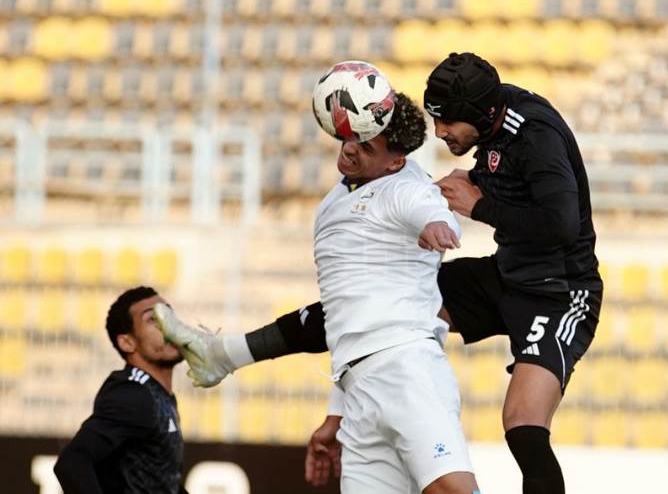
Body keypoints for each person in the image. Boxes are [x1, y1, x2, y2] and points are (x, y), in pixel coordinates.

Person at [162, 52, 602, 494]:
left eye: (448, 123)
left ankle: (226, 355)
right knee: (375, 301)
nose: (440, 132)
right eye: (436, 119)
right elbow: (362, 321)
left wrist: (478, 206)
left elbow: (561, 225)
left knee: (521, 424)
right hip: (505, 275)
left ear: (481, 115)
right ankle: (227, 354)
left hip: (560, 291)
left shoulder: (535, 135)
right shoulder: (481, 121)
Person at [157, 91, 480, 494]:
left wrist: (436, 224)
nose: (349, 149)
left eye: (366, 147)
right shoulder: (333, 203)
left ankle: (224, 354)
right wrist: (335, 415)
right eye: (351, 137)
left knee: (453, 490)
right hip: (356, 387)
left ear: (394, 161)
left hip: (406, 369)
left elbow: (424, 206)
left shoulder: (405, 188)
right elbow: (346, 320)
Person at [54, 286, 188, 494]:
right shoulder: (133, 394)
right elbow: (72, 462)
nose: (168, 325)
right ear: (127, 342)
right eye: (153, 319)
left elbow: (160, 480)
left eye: (168, 314)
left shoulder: (158, 394)